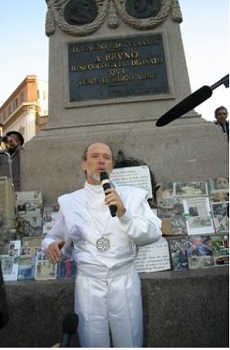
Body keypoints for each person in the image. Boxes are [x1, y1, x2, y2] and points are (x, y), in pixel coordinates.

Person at [41, 142, 162, 347]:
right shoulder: (70, 202)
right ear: (84, 164)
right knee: (92, 341)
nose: (101, 161)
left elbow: (153, 233)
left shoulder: (133, 196)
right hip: (89, 283)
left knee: (130, 340)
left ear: (112, 166)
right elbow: (52, 236)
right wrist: (52, 245)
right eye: (95, 156)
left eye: (106, 157)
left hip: (123, 279)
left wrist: (125, 214)